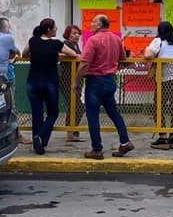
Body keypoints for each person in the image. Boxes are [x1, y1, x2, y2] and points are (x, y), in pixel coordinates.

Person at [74, 14, 135, 159]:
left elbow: (84, 64)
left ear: (100, 25)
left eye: (94, 22)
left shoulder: (93, 40)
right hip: (110, 80)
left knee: (93, 116)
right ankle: (125, 142)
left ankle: (97, 149)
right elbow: (123, 59)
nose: (91, 24)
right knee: (114, 112)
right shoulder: (116, 39)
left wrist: (76, 82)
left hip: (95, 81)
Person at [25, 18, 78, 155]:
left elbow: (24, 53)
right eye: (55, 28)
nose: (56, 29)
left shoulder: (33, 40)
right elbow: (72, 54)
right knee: (53, 112)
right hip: (50, 82)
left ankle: (39, 144)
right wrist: (57, 55)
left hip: (33, 81)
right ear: (49, 30)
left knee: (37, 113)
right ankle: (41, 137)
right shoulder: (56, 44)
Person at [0, 17, 29, 144]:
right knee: (10, 106)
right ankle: (16, 135)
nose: (9, 30)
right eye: (8, 28)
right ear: (4, 28)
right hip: (3, 78)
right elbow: (16, 52)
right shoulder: (8, 38)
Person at [143, 21, 173, 150]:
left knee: (158, 108)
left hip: (163, 81)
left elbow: (148, 55)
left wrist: (147, 49)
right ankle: (172, 137)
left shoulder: (158, 42)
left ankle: (163, 137)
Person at [61, 24, 85, 143]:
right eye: (73, 33)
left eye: (78, 33)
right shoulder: (67, 44)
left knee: (76, 106)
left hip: (77, 79)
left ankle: (73, 131)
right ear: (68, 35)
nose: (77, 35)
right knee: (77, 106)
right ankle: (70, 132)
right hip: (68, 80)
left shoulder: (75, 45)